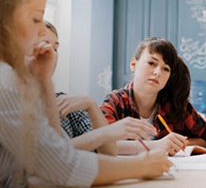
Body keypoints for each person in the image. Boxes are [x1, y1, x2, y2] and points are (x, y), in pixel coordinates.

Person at [0, 0, 171, 187]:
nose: (41, 30)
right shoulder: (5, 80)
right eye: (35, 19)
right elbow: (60, 164)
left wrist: (43, 80)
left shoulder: (18, 79)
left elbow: (57, 147)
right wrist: (142, 165)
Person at [43, 20, 157, 153]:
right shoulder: (18, 103)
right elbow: (49, 153)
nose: (53, 54)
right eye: (45, 45)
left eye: (55, 48)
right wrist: (108, 132)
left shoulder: (67, 104)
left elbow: (107, 153)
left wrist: (91, 105)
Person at [100, 37, 206, 156]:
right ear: (133, 64)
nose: (158, 72)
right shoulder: (114, 102)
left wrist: (176, 144)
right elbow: (101, 144)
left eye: (166, 69)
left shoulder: (174, 105)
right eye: (151, 63)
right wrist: (157, 145)